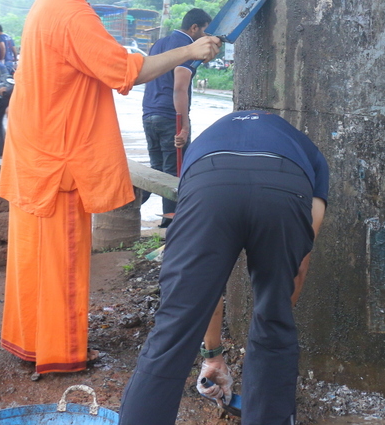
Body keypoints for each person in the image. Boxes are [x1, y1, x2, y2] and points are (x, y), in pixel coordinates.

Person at [0, 0, 220, 375]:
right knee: (62, 258)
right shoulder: (70, 11)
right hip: (60, 159)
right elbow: (126, 71)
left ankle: (32, 342)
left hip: (37, 152)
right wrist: (190, 51)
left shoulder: (50, 4)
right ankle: (60, 355)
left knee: (35, 257)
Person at [118, 110, 328, 425]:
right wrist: (275, 309)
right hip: (284, 183)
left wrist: (211, 353)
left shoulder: (205, 142)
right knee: (275, 321)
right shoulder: (311, 156)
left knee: (174, 326)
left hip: (209, 181)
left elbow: (202, 287)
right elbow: (297, 265)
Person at [141, 7, 212, 228]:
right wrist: (184, 127)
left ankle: (126, 205)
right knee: (173, 173)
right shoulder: (187, 49)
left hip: (149, 114)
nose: (207, 38)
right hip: (169, 116)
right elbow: (179, 89)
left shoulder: (159, 44)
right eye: (205, 32)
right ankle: (170, 227)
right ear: (194, 28)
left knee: (156, 170)